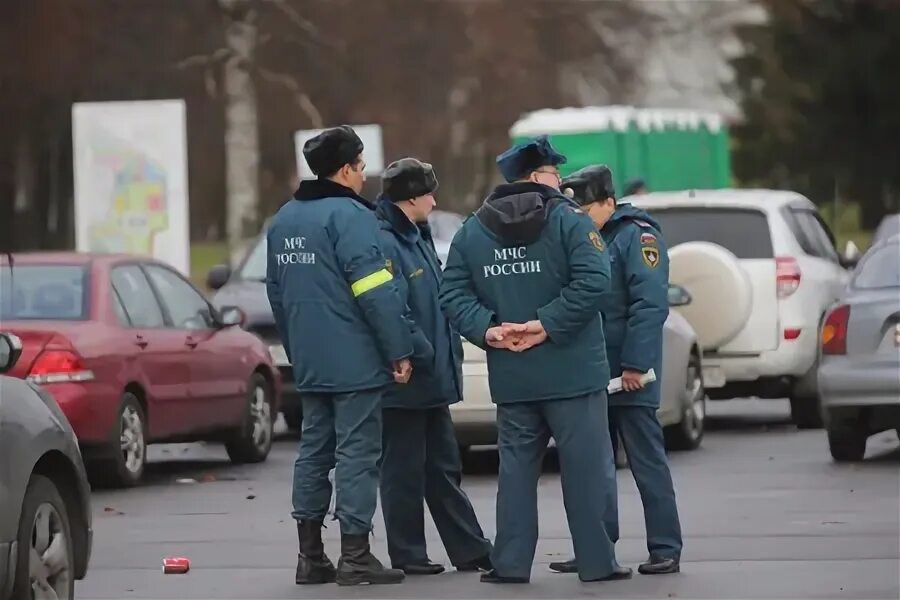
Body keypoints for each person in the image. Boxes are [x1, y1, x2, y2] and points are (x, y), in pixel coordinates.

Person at [439, 136, 631, 584]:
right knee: (585, 472)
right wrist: (546, 324)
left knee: (516, 475)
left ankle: (510, 563)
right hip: (573, 372)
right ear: (538, 176)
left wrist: (489, 329)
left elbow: (452, 293)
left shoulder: (472, 230)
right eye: (554, 173)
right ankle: (597, 563)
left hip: (513, 372)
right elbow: (595, 281)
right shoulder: (570, 222)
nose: (560, 180)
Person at [266, 125, 413, 587]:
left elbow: (277, 294)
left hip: (309, 359)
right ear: (346, 169)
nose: (365, 176)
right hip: (355, 360)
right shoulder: (351, 217)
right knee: (357, 454)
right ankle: (355, 556)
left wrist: (297, 350)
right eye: (362, 167)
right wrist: (399, 349)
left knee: (313, 451)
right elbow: (374, 290)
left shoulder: (285, 218)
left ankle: (310, 557)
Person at [549, 164, 682, 576]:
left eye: (588, 208)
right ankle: (596, 548)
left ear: (609, 202)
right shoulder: (581, 237)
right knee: (592, 464)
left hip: (630, 372)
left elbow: (649, 304)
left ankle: (665, 547)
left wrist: (636, 364)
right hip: (589, 371)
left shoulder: (637, 237)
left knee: (645, 459)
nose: (582, 216)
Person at [374, 157, 494, 576]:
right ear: (410, 198)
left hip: (430, 377)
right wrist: (420, 352)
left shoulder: (416, 236)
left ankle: (470, 548)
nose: (434, 199)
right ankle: (408, 553)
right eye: (428, 193)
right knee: (403, 470)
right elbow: (392, 309)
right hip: (405, 376)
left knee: (443, 466)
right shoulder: (386, 241)